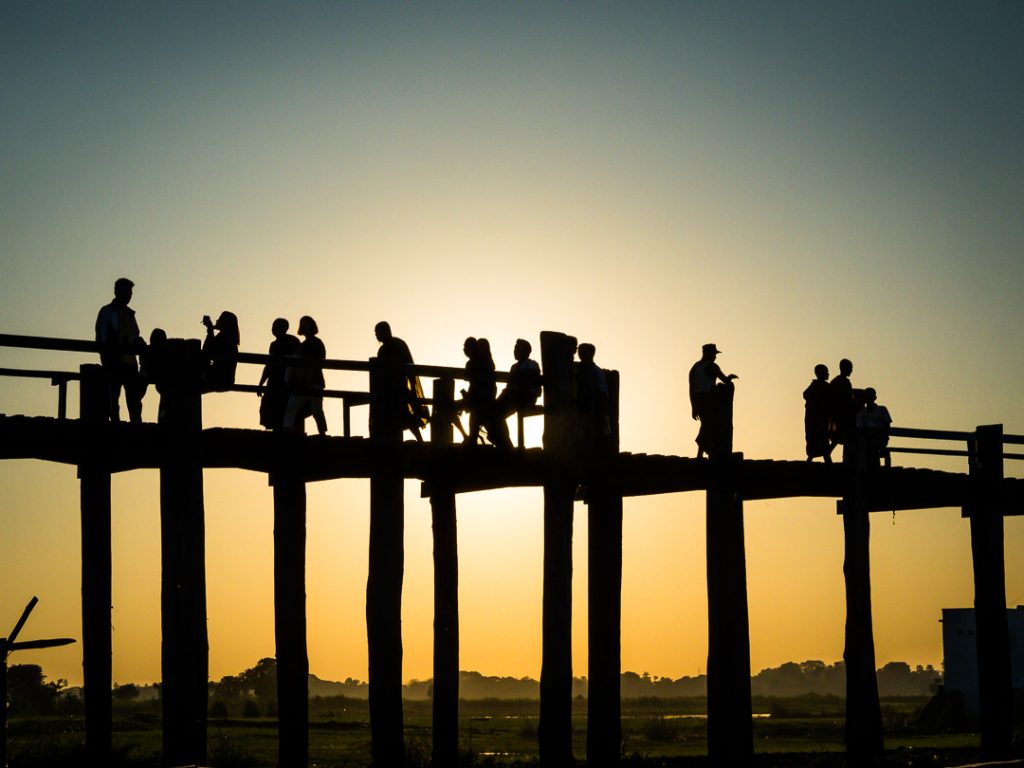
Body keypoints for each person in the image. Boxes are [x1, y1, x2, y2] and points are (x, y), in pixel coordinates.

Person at [95, 277, 145, 422]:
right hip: (114, 362)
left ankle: (134, 426)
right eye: (127, 292)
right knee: (114, 398)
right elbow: (101, 337)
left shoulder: (129, 314)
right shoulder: (107, 312)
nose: (129, 296)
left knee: (133, 400)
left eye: (130, 293)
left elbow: (135, 335)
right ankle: (117, 425)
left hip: (130, 363)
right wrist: (106, 358)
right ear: (117, 292)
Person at [373, 321, 428, 441]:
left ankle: (418, 440)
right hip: (388, 390)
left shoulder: (398, 345)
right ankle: (404, 441)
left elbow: (409, 366)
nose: (376, 335)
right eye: (375, 332)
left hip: (398, 388)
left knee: (404, 416)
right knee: (397, 418)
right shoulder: (383, 350)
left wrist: (413, 386)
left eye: (377, 332)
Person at [688, 343, 738, 459]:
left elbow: (691, 389)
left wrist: (693, 407)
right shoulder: (712, 366)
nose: (715, 357)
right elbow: (724, 380)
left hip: (697, 399)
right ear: (709, 354)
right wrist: (729, 379)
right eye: (714, 354)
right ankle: (701, 448)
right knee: (710, 425)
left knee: (706, 425)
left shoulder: (694, 368)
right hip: (709, 398)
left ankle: (701, 453)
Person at [283, 315, 327, 435]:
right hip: (305, 382)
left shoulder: (313, 343)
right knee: (311, 409)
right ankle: (322, 433)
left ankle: (322, 433)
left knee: (315, 409)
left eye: (305, 324)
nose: (303, 327)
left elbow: (319, 361)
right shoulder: (308, 344)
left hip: (310, 381)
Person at [495, 338, 542, 447]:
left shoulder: (532, 364)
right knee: (495, 415)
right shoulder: (514, 367)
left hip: (525, 398)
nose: (515, 352)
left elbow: (529, 379)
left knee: (497, 415)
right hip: (512, 398)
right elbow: (509, 387)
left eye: (518, 349)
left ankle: (506, 445)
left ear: (526, 351)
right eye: (515, 349)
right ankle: (504, 442)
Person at [257, 318, 301, 430]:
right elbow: (269, 365)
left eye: (274, 326)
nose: (272, 329)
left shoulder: (292, 342)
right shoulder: (276, 344)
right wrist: (261, 382)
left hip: (286, 383)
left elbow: (270, 365)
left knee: (282, 412)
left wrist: (261, 383)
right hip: (275, 382)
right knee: (274, 411)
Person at [458, 337, 501, 446]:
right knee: (476, 419)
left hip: (481, 398)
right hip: (482, 397)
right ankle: (472, 438)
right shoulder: (484, 362)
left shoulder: (478, 363)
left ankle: (471, 439)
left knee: (475, 418)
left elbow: (468, 377)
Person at [576, 342, 610, 449]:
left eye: (583, 351)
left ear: (591, 353)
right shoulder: (576, 368)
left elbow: (603, 393)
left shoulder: (596, 372)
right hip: (579, 406)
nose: (580, 354)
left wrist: (603, 411)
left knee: (590, 433)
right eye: (579, 351)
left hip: (592, 406)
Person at [201, 311, 240, 392]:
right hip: (226, 381)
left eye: (220, 319)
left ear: (225, 324)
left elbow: (207, 350)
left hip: (219, 380)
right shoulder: (230, 340)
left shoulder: (224, 340)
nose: (217, 321)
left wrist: (210, 329)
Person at [803, 363, 832, 463]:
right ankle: (825, 459)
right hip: (819, 419)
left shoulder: (817, 386)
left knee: (816, 439)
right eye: (826, 372)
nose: (828, 374)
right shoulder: (822, 386)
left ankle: (813, 458)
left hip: (815, 419)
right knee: (820, 440)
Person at [856, 387, 892, 467]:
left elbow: (886, 426)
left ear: (875, 398)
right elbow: (860, 429)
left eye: (870, 396)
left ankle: (870, 469)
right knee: (865, 446)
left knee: (871, 446)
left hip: (880, 438)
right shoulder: (861, 413)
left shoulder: (882, 410)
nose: (868, 399)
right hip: (867, 438)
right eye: (866, 397)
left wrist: (878, 434)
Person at [828, 358, 859, 452]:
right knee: (844, 436)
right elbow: (849, 398)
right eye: (850, 368)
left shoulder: (835, 381)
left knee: (839, 438)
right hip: (842, 414)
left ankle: (828, 454)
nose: (851, 370)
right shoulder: (843, 382)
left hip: (838, 414)